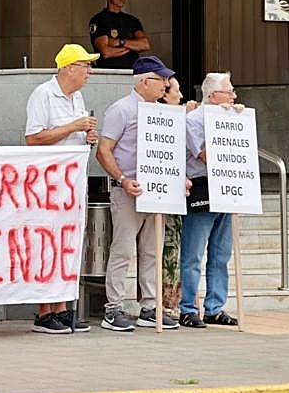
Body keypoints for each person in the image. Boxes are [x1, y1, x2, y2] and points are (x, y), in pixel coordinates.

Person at [97, 56, 183, 332]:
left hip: (156, 191)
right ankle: (113, 307)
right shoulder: (121, 110)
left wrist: (178, 178)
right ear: (144, 82)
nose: (166, 85)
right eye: (161, 80)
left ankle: (149, 306)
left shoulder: (162, 112)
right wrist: (122, 179)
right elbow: (104, 150)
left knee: (151, 251)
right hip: (129, 190)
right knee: (122, 249)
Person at [23, 43, 99, 333]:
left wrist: (86, 135)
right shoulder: (43, 94)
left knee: (67, 243)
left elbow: (71, 135)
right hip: (47, 182)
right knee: (47, 243)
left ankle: (63, 308)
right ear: (69, 68)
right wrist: (73, 127)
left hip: (72, 182)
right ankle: (44, 311)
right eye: (85, 65)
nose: (89, 71)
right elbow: (33, 137)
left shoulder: (76, 96)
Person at [179, 72, 244, 329]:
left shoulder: (229, 117)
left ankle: (215, 307)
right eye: (229, 92)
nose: (234, 96)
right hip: (203, 186)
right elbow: (203, 155)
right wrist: (228, 131)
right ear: (213, 95)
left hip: (226, 184)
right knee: (194, 253)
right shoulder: (194, 120)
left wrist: (236, 122)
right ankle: (187, 308)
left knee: (221, 253)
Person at [156, 76, 195, 322]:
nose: (181, 96)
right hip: (160, 193)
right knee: (164, 248)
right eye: (176, 92)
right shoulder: (158, 121)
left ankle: (173, 302)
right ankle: (162, 303)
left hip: (179, 193)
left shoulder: (182, 118)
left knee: (174, 246)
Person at [89, 0, 151, 71]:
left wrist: (120, 42)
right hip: (109, 75)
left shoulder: (132, 20)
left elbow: (145, 44)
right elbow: (106, 52)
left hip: (133, 73)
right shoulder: (98, 20)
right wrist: (132, 47)